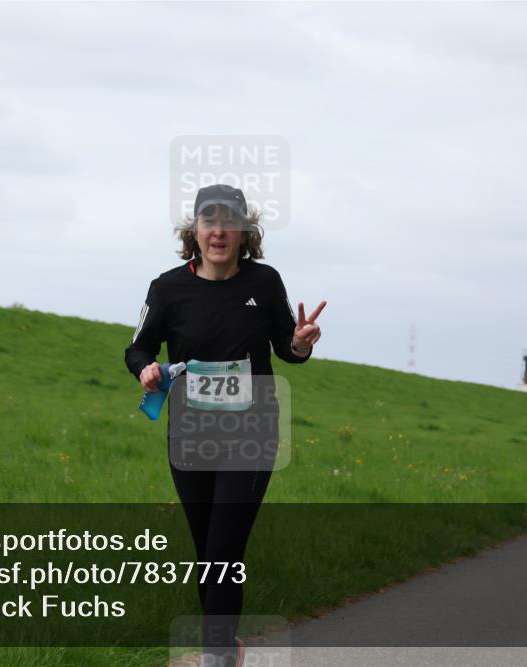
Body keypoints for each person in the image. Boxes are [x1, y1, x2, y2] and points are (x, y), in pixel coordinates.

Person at [124, 184, 325, 667]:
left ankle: (215, 656)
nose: (218, 231)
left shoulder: (264, 282)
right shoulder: (168, 288)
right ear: (193, 231)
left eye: (228, 222)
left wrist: (300, 342)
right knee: (207, 551)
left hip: (251, 432)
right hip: (190, 434)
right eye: (208, 222)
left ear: (244, 231)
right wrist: (146, 369)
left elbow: (287, 351)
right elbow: (138, 348)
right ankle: (224, 645)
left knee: (223, 552)